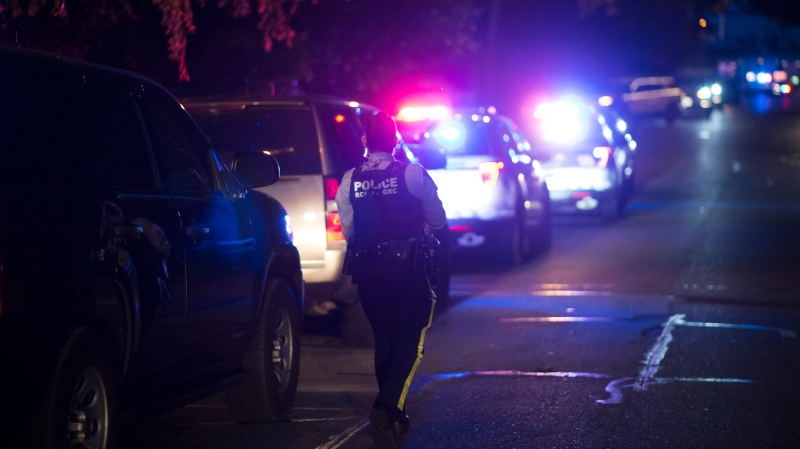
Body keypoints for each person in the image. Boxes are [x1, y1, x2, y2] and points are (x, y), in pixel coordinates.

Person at [335, 111, 446, 448]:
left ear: (366, 142)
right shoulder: (412, 173)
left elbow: (351, 232)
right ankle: (385, 408)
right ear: (396, 140)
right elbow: (437, 220)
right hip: (407, 272)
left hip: (369, 274)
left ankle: (395, 413)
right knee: (409, 346)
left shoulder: (350, 179)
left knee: (384, 340)